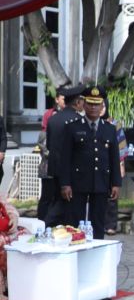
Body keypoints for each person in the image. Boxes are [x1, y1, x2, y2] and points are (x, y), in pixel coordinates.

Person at [55, 86, 120, 237]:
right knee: (74, 221)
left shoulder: (109, 129)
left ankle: (96, 253)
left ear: (102, 106)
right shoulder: (72, 127)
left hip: (101, 181)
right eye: (90, 103)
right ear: (83, 105)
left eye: (96, 104)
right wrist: (65, 183)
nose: (93, 108)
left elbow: (114, 158)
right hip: (78, 182)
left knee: (98, 221)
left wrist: (116, 183)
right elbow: (65, 158)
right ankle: (75, 250)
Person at [40, 86, 83, 224]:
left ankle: (50, 226)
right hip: (72, 171)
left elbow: (49, 145)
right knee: (68, 205)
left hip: (54, 169)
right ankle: (50, 226)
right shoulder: (78, 121)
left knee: (55, 201)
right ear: (77, 102)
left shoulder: (53, 119)